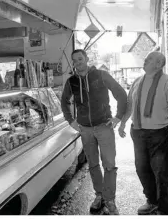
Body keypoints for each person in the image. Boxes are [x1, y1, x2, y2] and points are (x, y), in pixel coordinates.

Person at [61, 49, 127, 215]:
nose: (78, 63)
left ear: (87, 59)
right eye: (75, 60)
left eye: (80, 59)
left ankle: (110, 199)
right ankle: (99, 196)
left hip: (104, 126)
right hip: (85, 130)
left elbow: (120, 94)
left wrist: (118, 117)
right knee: (93, 165)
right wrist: (71, 121)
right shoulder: (71, 82)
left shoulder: (101, 75)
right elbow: (64, 102)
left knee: (110, 165)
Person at [118, 51, 168, 215]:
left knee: (162, 173)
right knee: (142, 169)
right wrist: (123, 123)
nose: (145, 60)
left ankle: (165, 209)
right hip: (138, 133)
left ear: (159, 64)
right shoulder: (138, 81)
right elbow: (130, 104)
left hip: (160, 134)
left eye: (149, 59)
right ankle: (152, 201)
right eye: (146, 58)